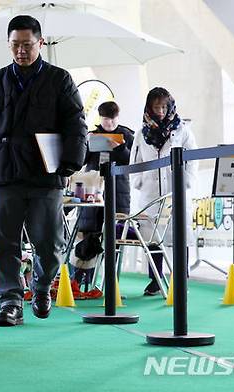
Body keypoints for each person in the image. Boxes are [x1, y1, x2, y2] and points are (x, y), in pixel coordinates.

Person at [0, 15, 87, 326]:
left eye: (27, 45)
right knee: (5, 241)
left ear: (40, 43)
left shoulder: (60, 80)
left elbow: (76, 124)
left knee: (48, 240)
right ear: (8, 45)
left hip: (46, 172)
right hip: (6, 172)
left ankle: (43, 285)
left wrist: (71, 163)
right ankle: (10, 301)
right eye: (15, 45)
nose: (21, 51)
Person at [130, 87, 197, 296]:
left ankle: (181, 276)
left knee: (179, 234)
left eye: (163, 106)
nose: (160, 111)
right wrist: (139, 181)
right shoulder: (142, 133)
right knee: (152, 236)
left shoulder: (182, 130)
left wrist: (184, 182)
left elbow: (192, 158)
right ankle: (155, 279)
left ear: (170, 106)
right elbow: (136, 160)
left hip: (175, 190)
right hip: (150, 192)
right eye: (156, 106)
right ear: (149, 107)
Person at [72, 101, 134, 299]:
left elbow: (132, 162)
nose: (109, 123)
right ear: (100, 118)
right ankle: (81, 283)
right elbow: (80, 161)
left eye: (113, 119)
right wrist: (87, 145)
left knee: (114, 241)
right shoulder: (91, 134)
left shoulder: (127, 135)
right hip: (93, 190)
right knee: (89, 235)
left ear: (118, 117)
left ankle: (111, 287)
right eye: (106, 119)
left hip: (118, 192)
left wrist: (120, 147)